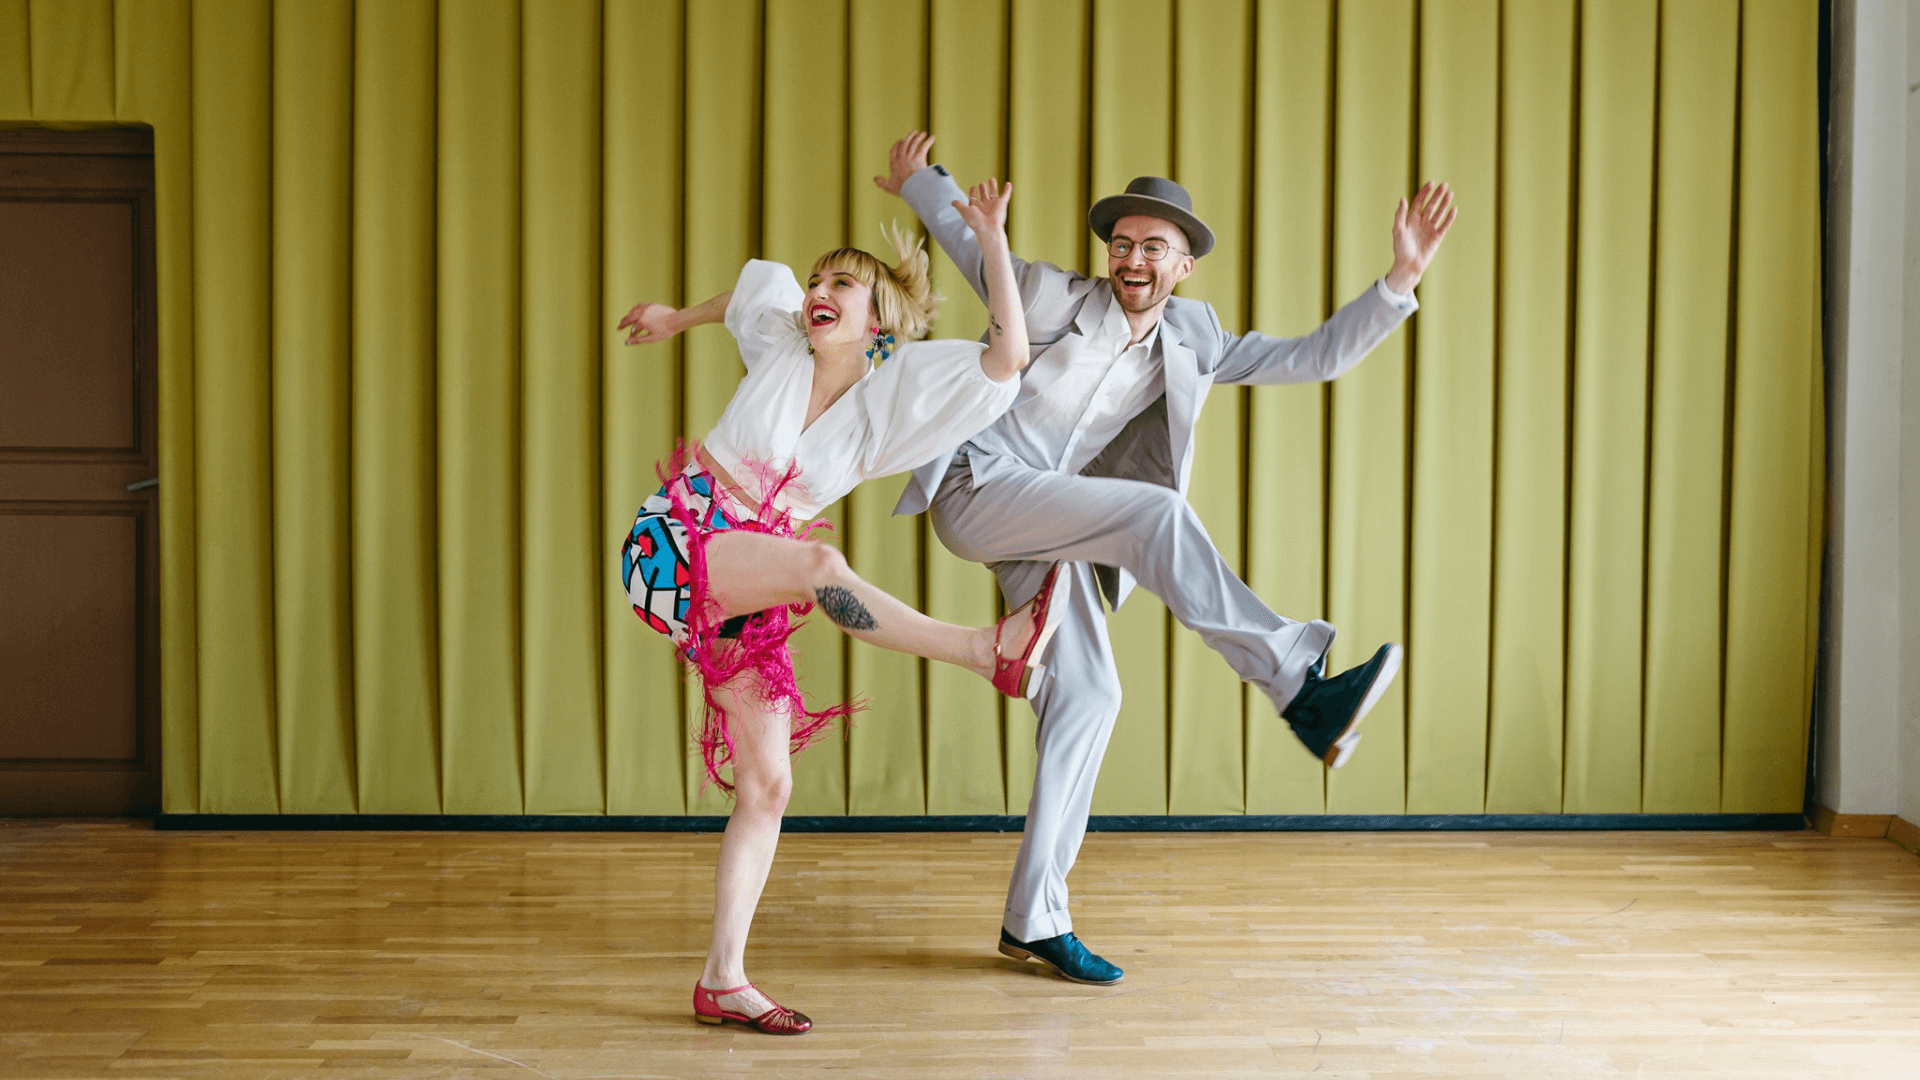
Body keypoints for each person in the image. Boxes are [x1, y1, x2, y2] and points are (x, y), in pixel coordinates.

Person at [875, 131, 1455, 986]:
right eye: (1122, 243)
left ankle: (1033, 916)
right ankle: (1297, 682)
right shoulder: (1049, 296)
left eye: (1154, 247)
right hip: (978, 487)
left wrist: (1400, 280)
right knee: (1154, 515)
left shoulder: (1195, 339)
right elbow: (971, 245)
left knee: (1091, 693)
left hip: (1060, 523)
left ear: (1183, 266)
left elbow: (1309, 358)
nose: (1133, 258)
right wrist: (919, 182)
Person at [617, 178, 1072, 1035]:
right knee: (820, 563)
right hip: (677, 539)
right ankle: (985, 650)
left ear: (880, 323)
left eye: (841, 286)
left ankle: (722, 978)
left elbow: (1007, 357)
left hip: (750, 588)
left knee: (768, 783)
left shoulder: (894, 393)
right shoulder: (784, 339)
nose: (817, 293)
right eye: (819, 282)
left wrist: (993, 239)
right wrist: (677, 316)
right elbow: (747, 293)